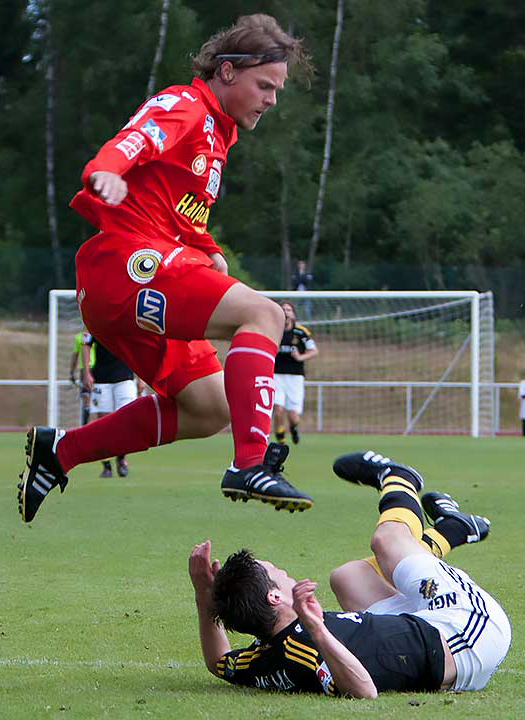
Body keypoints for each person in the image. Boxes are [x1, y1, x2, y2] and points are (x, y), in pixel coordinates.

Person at [18, 14, 315, 523]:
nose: (271, 99)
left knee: (210, 409)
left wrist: (206, 245)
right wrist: (104, 174)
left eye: (277, 89)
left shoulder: (219, 135)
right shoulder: (186, 105)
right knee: (264, 314)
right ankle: (251, 461)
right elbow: (128, 145)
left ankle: (59, 452)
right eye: (265, 85)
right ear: (227, 71)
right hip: (126, 265)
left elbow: (174, 210)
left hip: (128, 283)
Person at [189, 450, 509, 697]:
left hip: (429, 634)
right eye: (275, 571)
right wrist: (317, 629)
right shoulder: (309, 646)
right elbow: (364, 691)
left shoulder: (265, 656)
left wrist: (204, 593)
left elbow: (219, 662)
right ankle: (398, 477)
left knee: (347, 577)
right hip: (469, 632)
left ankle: (453, 529)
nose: (283, 570)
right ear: (275, 597)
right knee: (386, 542)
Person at [81, 332, 138, 477]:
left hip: (125, 378)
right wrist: (86, 373)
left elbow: (137, 348)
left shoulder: (128, 318)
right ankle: (106, 466)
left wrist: (141, 377)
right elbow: (85, 345)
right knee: (104, 424)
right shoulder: (93, 319)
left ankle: (121, 459)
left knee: (126, 420)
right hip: (102, 379)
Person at [272, 301, 317, 445]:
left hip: (295, 377)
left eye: (288, 310)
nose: (285, 312)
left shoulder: (301, 332)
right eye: (283, 309)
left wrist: (300, 357)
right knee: (278, 409)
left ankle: (293, 427)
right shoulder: (273, 330)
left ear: (293, 314)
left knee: (293, 416)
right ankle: (281, 439)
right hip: (276, 375)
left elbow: (314, 350)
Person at [69, 330, 96, 426]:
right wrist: (72, 372)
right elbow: (75, 355)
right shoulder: (80, 337)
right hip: (90, 369)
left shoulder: (81, 336)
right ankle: (87, 426)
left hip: (87, 370)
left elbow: (75, 356)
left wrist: (71, 372)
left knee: (87, 400)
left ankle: (86, 425)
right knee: (89, 399)